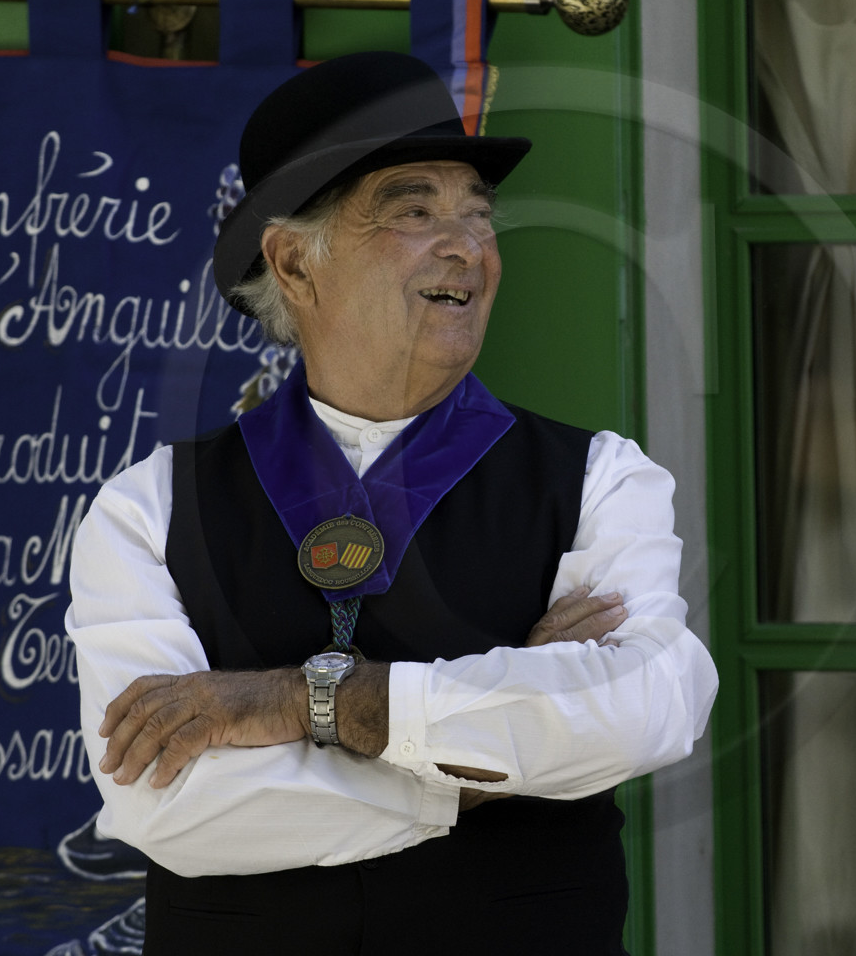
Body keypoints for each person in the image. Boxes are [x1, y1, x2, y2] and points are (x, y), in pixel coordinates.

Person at [64, 51, 717, 955]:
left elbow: (645, 708)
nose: (468, 247)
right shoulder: (149, 509)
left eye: (477, 214)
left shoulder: (601, 478)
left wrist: (299, 703)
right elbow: (164, 801)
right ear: (294, 262)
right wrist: (487, 757)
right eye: (414, 211)